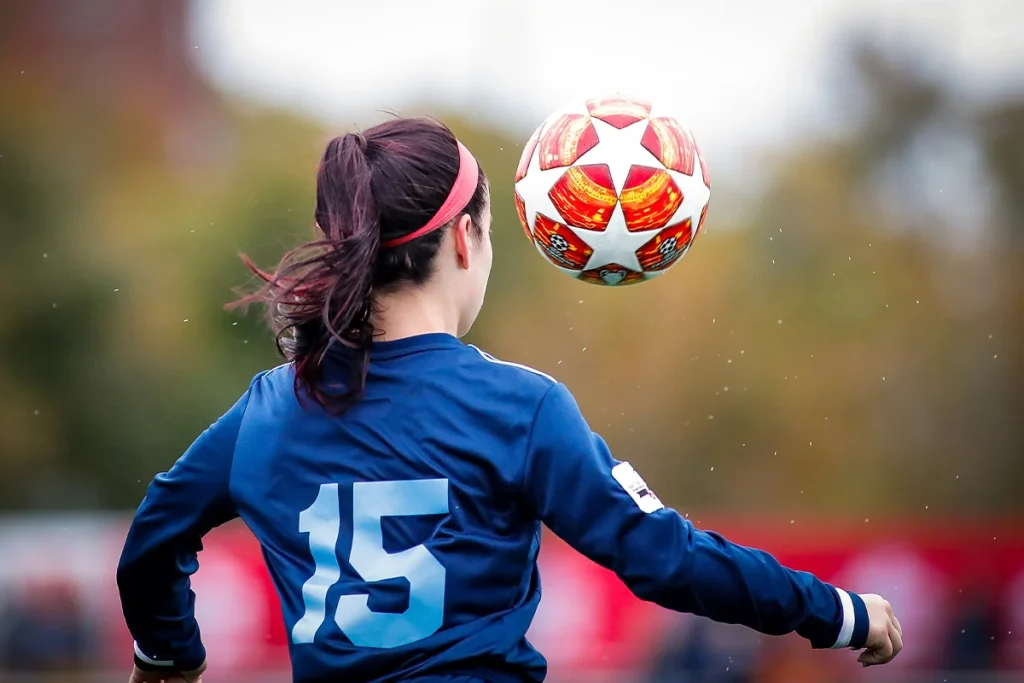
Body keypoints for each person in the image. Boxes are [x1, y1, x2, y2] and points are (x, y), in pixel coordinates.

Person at [116, 117, 903, 683]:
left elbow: (152, 539)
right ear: (464, 239)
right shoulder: (517, 408)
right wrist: (834, 610)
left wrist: (168, 656)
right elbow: (663, 556)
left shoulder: (268, 410)